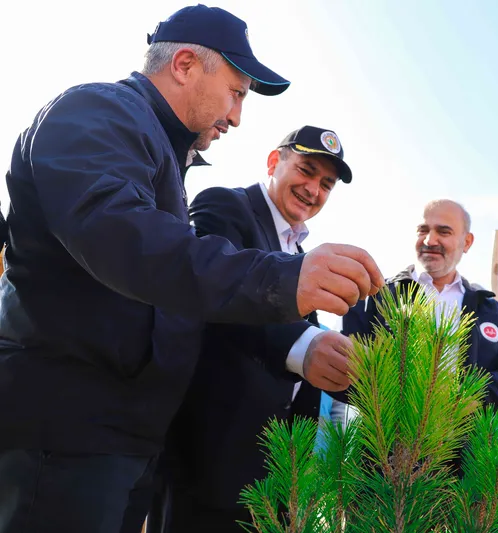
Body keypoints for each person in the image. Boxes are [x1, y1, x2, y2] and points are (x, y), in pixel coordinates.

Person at [0, 6, 383, 533]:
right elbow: (130, 242)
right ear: (184, 64)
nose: (238, 115)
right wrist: (283, 281)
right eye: (237, 92)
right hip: (67, 434)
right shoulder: (95, 113)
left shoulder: (159, 153)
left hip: (123, 441)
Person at [151, 126, 355, 531]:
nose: (313, 189)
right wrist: (306, 344)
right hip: (206, 464)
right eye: (306, 170)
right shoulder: (226, 207)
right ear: (274, 161)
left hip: (270, 480)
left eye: (326, 184)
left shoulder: (300, 255)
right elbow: (221, 294)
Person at [342, 199, 498, 410]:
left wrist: (467, 395)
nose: (430, 241)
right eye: (423, 230)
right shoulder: (377, 295)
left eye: (444, 232)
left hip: (465, 441)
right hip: (387, 440)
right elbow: (342, 366)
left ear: (466, 242)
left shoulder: (489, 310)